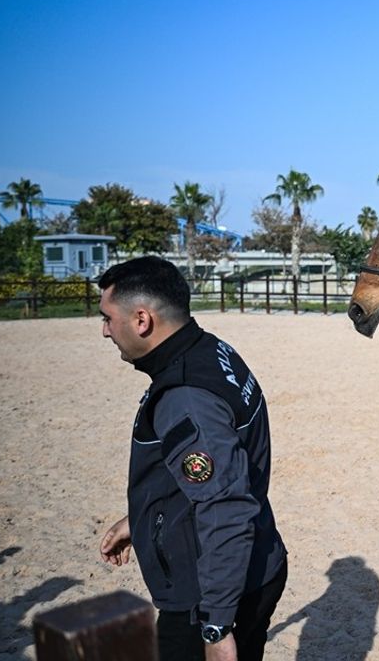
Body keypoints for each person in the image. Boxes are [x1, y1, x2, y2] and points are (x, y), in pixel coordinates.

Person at [95, 256, 287, 661]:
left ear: (142, 320)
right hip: (256, 561)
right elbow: (222, 470)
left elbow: (225, 505)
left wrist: (216, 626)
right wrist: (142, 520)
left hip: (209, 592)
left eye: (108, 318)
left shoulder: (186, 395)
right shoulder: (210, 349)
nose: (105, 331)